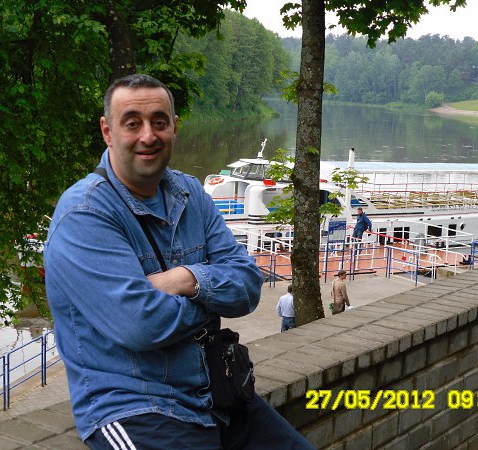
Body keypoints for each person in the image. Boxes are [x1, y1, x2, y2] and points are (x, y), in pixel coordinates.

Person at [44, 74, 313, 449]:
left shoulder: (191, 194)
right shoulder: (85, 214)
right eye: (132, 123)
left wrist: (188, 279)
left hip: (217, 394)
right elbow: (140, 325)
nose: (148, 136)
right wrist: (211, 300)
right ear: (108, 131)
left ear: (174, 127)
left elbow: (248, 285)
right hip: (136, 407)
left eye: (159, 122)